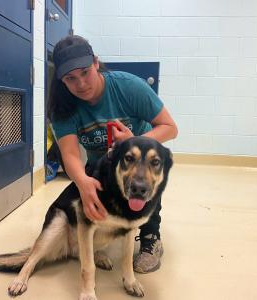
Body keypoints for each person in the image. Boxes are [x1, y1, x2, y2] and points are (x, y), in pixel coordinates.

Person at [48, 35, 178, 273]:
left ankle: (151, 239)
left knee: (143, 187)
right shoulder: (63, 108)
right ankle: (95, 238)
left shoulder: (128, 86)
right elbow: (70, 155)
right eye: (70, 78)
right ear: (62, 80)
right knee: (79, 198)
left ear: (96, 62)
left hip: (140, 161)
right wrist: (83, 182)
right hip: (102, 165)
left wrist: (132, 142)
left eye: (85, 72)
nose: (81, 84)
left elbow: (170, 128)